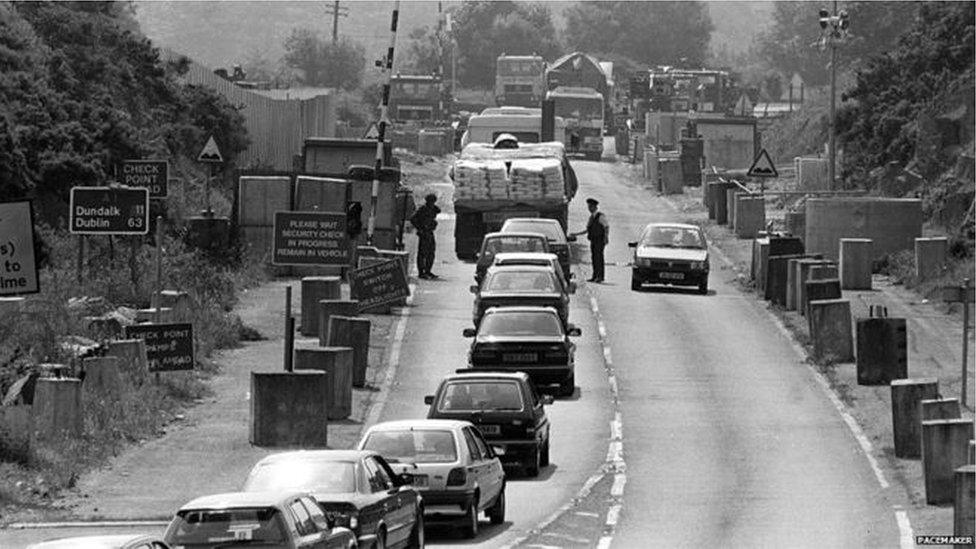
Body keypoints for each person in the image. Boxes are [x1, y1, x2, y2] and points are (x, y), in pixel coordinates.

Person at [572, 197, 609, 282]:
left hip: (600, 240)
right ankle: (595, 276)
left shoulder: (600, 216)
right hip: (593, 240)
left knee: (599, 258)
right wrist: (576, 234)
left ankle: (600, 277)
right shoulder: (591, 218)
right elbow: (587, 230)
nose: (589, 209)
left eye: (590, 207)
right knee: (594, 258)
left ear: (594, 207)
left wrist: (606, 237)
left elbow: (606, 226)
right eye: (588, 207)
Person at [410, 193, 440, 279]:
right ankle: (421, 272)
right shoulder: (422, 209)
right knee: (422, 253)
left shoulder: (433, 209)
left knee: (431, 252)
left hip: (429, 232)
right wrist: (420, 228)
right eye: (431, 201)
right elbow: (413, 219)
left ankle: (428, 270)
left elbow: (438, 210)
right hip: (424, 233)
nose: (432, 203)